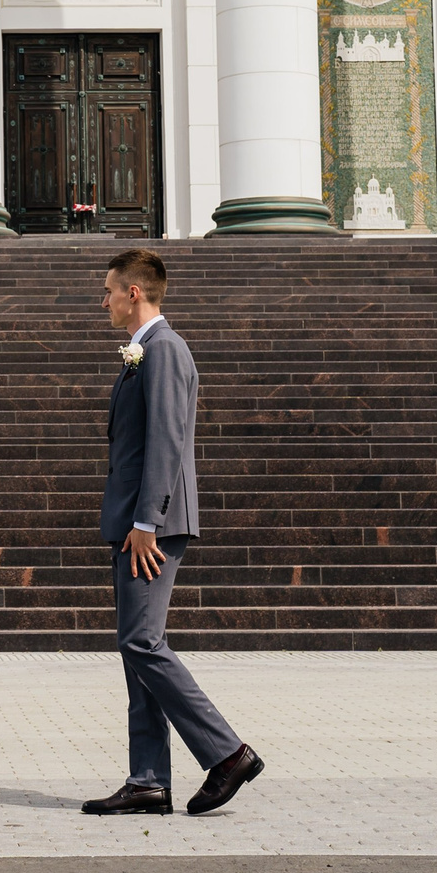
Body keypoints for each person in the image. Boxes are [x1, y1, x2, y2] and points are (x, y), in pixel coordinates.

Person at [82, 249, 264, 818]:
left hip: (151, 525)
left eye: (109, 290)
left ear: (134, 292)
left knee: (142, 642)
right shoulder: (148, 352)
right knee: (134, 646)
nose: (103, 300)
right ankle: (148, 781)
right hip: (138, 519)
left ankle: (227, 753)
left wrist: (145, 523)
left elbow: (164, 441)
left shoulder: (162, 350)